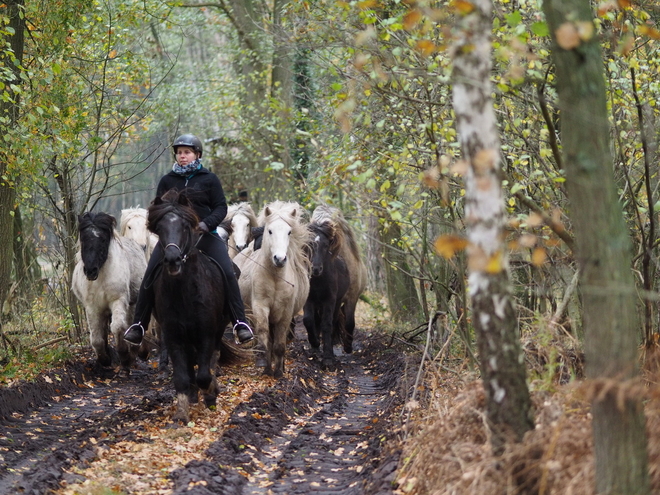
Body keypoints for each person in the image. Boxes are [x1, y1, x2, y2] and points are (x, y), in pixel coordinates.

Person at [124, 134, 254, 346]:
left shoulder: (209, 179)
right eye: (179, 153)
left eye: (187, 152)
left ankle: (240, 322)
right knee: (150, 273)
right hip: (174, 239)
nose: (182, 156)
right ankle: (139, 324)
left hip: (204, 235)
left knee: (228, 271)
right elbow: (157, 209)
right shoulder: (167, 180)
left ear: (197, 154)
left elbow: (221, 207)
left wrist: (206, 224)